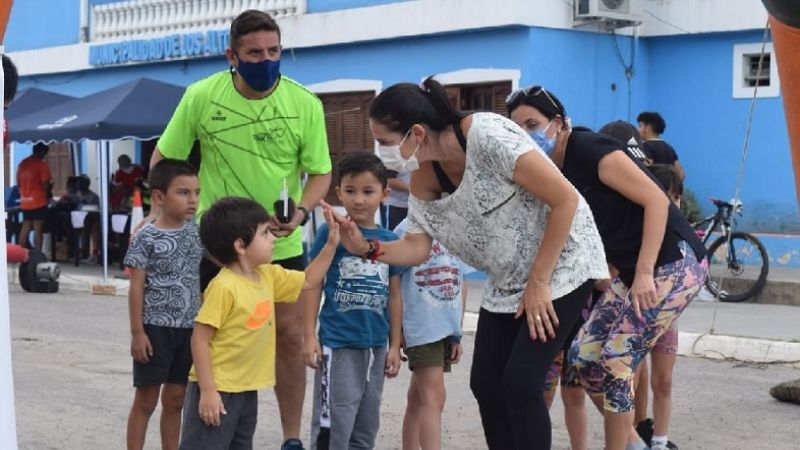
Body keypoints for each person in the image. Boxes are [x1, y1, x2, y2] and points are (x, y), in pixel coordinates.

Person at [328, 77, 609, 450]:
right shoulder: (426, 177)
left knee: (523, 382)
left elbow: (565, 200)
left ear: (415, 132)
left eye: (384, 141)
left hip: (563, 264)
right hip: (509, 276)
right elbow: (415, 247)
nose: (381, 153)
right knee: (487, 383)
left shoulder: (488, 135)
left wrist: (539, 282)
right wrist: (365, 247)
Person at [153, 10, 332, 448]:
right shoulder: (200, 96)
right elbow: (164, 162)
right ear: (232, 55)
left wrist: (304, 213)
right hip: (215, 246)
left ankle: (291, 439)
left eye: (274, 51)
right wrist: (171, 217)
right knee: (217, 340)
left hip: (279, 243)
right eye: (254, 53)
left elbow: (321, 173)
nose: (266, 60)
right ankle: (211, 431)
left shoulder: (304, 102)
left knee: (288, 338)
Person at [507, 86, 707, 450]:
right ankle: (633, 443)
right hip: (630, 269)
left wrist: (645, 272)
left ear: (559, 123)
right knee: (584, 358)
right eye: (517, 130)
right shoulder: (553, 171)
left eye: (533, 124)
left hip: (675, 261)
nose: (527, 135)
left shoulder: (588, 148)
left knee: (617, 360)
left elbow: (656, 201)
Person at [179, 196, 339, 450]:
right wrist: (208, 391)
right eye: (265, 233)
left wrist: (331, 244)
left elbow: (308, 281)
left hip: (246, 388)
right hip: (218, 388)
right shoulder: (224, 286)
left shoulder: (267, 276)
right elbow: (199, 338)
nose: (274, 238)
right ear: (241, 246)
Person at [302, 152, 405, 449]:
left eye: (368, 191)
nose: (358, 200)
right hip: (338, 343)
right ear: (339, 193)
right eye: (350, 191)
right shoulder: (330, 234)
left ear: (384, 194)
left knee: (366, 423)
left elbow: (395, 295)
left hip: (375, 346)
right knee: (333, 422)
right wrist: (310, 337)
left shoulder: (389, 242)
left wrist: (394, 345)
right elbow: (312, 285)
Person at [124, 159, 203, 450]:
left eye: (196, 192)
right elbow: (136, 287)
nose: (193, 199)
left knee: (175, 400)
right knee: (146, 400)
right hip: (155, 330)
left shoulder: (197, 234)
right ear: (159, 197)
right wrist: (137, 333)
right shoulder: (145, 236)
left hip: (189, 330)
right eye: (183, 192)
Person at [394, 217, 472, 450]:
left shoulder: (457, 227)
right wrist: (397, 331)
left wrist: (456, 331)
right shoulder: (406, 229)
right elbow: (394, 282)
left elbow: (461, 280)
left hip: (446, 328)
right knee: (434, 398)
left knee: (418, 398)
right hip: (421, 325)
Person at [633, 164, 684, 450]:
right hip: (637, 316)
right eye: (666, 196)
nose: (672, 203)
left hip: (667, 318)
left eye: (676, 197)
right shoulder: (636, 230)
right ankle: (631, 434)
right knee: (631, 380)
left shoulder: (682, 236)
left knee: (663, 381)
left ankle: (661, 442)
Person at [16, 143, 52, 251]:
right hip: (38, 201)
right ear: (41, 152)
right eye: (45, 153)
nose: (45, 155)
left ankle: (20, 254)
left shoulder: (23, 163)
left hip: (25, 201)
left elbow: (18, 184)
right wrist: (49, 190)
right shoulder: (41, 165)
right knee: (38, 229)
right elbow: (45, 185)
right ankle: (38, 254)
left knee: (25, 227)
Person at [637, 112, 685, 180]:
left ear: (648, 128)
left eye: (640, 126)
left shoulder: (645, 146)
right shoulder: (670, 149)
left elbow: (645, 170)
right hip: (666, 189)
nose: (637, 129)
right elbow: (681, 174)